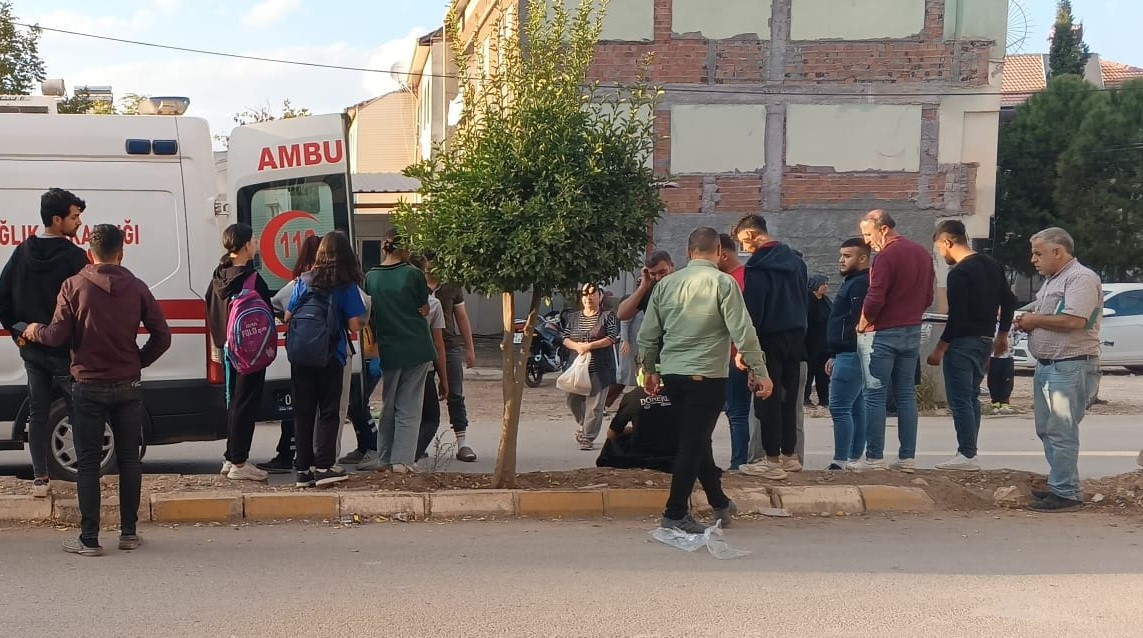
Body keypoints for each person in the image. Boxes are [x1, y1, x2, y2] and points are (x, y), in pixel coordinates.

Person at [24, 224, 170, 556]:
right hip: (128, 384)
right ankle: (128, 533)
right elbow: (163, 336)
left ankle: (89, 538)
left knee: (88, 462)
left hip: (87, 386)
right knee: (129, 459)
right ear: (121, 253)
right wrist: (138, 361)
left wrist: (34, 331)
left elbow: (56, 336)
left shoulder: (73, 286)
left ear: (90, 254)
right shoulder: (137, 288)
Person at [638, 227, 773, 534]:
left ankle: (719, 502)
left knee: (698, 440)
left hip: (673, 374)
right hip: (706, 375)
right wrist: (760, 370)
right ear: (719, 252)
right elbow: (743, 330)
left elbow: (648, 333)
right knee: (693, 442)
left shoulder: (666, 285)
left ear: (689, 252)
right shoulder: (723, 283)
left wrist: (649, 369)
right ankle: (674, 513)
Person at [0, 188, 89, 498]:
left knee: (38, 413)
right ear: (57, 219)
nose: (79, 223)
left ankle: (40, 479)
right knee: (79, 413)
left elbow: (3, 298)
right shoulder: (76, 258)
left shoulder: (21, 253)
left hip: (33, 350)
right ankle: (86, 477)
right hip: (66, 353)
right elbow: (87, 306)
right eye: (74, 217)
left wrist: (17, 333)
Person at [1014, 227, 1101, 512]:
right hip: (1049, 367)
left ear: (1058, 252)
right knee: (1047, 429)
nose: (1033, 260)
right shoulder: (1054, 280)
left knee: (1061, 430)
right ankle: (1063, 485)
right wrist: (1027, 320)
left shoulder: (1080, 278)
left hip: (1069, 368)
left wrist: (1034, 320)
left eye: (1038, 254)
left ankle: (1065, 493)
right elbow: (1046, 313)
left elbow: (1074, 321)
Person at [850, 210, 935, 474]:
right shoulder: (922, 253)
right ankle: (907, 457)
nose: (866, 241)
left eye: (868, 234)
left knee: (874, 395)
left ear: (883, 229)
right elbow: (928, 296)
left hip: (882, 333)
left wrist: (862, 324)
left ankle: (875, 458)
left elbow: (875, 297)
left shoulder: (885, 256)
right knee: (906, 394)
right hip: (911, 331)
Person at [928, 220, 1016, 472]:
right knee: (972, 397)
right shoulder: (992, 264)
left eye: (939, 248)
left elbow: (958, 316)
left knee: (960, 399)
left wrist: (940, 348)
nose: (941, 254)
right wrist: (1002, 334)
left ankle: (966, 454)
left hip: (962, 343)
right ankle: (970, 452)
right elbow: (1009, 301)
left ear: (948, 242)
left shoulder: (959, 273)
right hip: (985, 341)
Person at [284, 231, 367, 487]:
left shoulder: (304, 280)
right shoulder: (345, 285)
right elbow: (354, 325)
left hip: (301, 356)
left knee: (303, 412)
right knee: (329, 412)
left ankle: (303, 471)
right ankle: (324, 467)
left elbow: (287, 316)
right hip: (330, 355)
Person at [733, 214, 807, 480]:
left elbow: (753, 312)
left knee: (767, 397)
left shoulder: (758, 266)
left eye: (743, 242)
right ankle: (789, 456)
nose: (744, 248)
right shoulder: (797, 262)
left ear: (751, 235)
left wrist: (745, 349)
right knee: (788, 398)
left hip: (768, 339)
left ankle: (771, 461)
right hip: (796, 337)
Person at [365, 229, 437, 473]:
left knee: (388, 404)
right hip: (416, 346)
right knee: (409, 405)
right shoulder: (413, 274)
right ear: (405, 247)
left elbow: (371, 314)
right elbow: (424, 308)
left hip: (388, 347)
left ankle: (384, 458)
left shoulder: (371, 277)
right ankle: (403, 460)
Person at [205, 223, 272, 482]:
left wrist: (223, 340)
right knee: (246, 404)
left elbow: (211, 309)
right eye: (253, 240)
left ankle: (230, 456)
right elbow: (267, 313)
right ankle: (240, 463)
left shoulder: (218, 276)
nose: (256, 244)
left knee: (234, 401)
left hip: (227, 349)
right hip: (250, 351)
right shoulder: (252, 279)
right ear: (244, 245)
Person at [257, 233, 321, 473]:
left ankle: (293, 457)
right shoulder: (336, 284)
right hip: (328, 352)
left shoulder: (296, 285)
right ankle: (321, 460)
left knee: (299, 408)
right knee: (326, 409)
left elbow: (274, 305)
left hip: (300, 350)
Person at [423, 254, 478, 462]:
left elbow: (461, 317)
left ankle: (462, 444)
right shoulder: (416, 284)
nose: (431, 265)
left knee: (455, 394)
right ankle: (419, 442)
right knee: (422, 396)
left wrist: (470, 348)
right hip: (423, 347)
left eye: (434, 260)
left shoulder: (452, 286)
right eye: (427, 260)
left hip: (449, 345)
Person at [825, 239, 871, 470]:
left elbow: (857, 319)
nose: (841, 260)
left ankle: (840, 460)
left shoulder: (860, 284)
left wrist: (840, 350)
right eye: (841, 255)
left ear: (862, 258)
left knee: (840, 407)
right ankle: (853, 458)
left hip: (851, 353)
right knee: (855, 406)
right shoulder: (854, 281)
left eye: (847, 256)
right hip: (848, 352)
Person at [561, 283, 621, 451]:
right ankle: (585, 424)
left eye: (593, 294)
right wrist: (577, 346)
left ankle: (587, 437)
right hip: (577, 366)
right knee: (571, 398)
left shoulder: (607, 316)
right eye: (585, 294)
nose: (589, 297)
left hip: (600, 367)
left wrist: (590, 346)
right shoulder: (573, 317)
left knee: (595, 405)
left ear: (600, 297)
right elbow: (565, 337)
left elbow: (612, 337)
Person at [716, 233, 750, 470]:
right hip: (735, 352)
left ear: (724, 254)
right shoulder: (744, 277)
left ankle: (739, 462)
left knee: (736, 411)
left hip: (735, 353)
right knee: (736, 411)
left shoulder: (734, 280)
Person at [411, 255, 449, 464]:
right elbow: (438, 345)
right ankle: (410, 456)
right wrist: (444, 378)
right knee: (430, 418)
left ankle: (392, 455)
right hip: (423, 366)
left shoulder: (391, 298)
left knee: (400, 413)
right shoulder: (433, 304)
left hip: (394, 362)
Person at [595, 382, 679, 473]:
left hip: (640, 454)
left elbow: (611, 434)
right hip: (674, 452)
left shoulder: (633, 396)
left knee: (612, 440)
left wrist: (631, 430)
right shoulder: (679, 395)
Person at [804, 274, 832, 407]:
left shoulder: (826, 301)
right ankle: (805, 398)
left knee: (823, 373)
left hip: (824, 342)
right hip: (809, 342)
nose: (826, 286)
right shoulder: (807, 299)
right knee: (809, 372)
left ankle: (824, 399)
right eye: (823, 284)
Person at [986, 324, 1017, 414]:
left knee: (1007, 380)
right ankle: (995, 402)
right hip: (994, 356)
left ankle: (1005, 403)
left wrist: (1012, 343)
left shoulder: (1011, 325)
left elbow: (1019, 334)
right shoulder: (992, 323)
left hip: (1008, 356)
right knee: (993, 380)